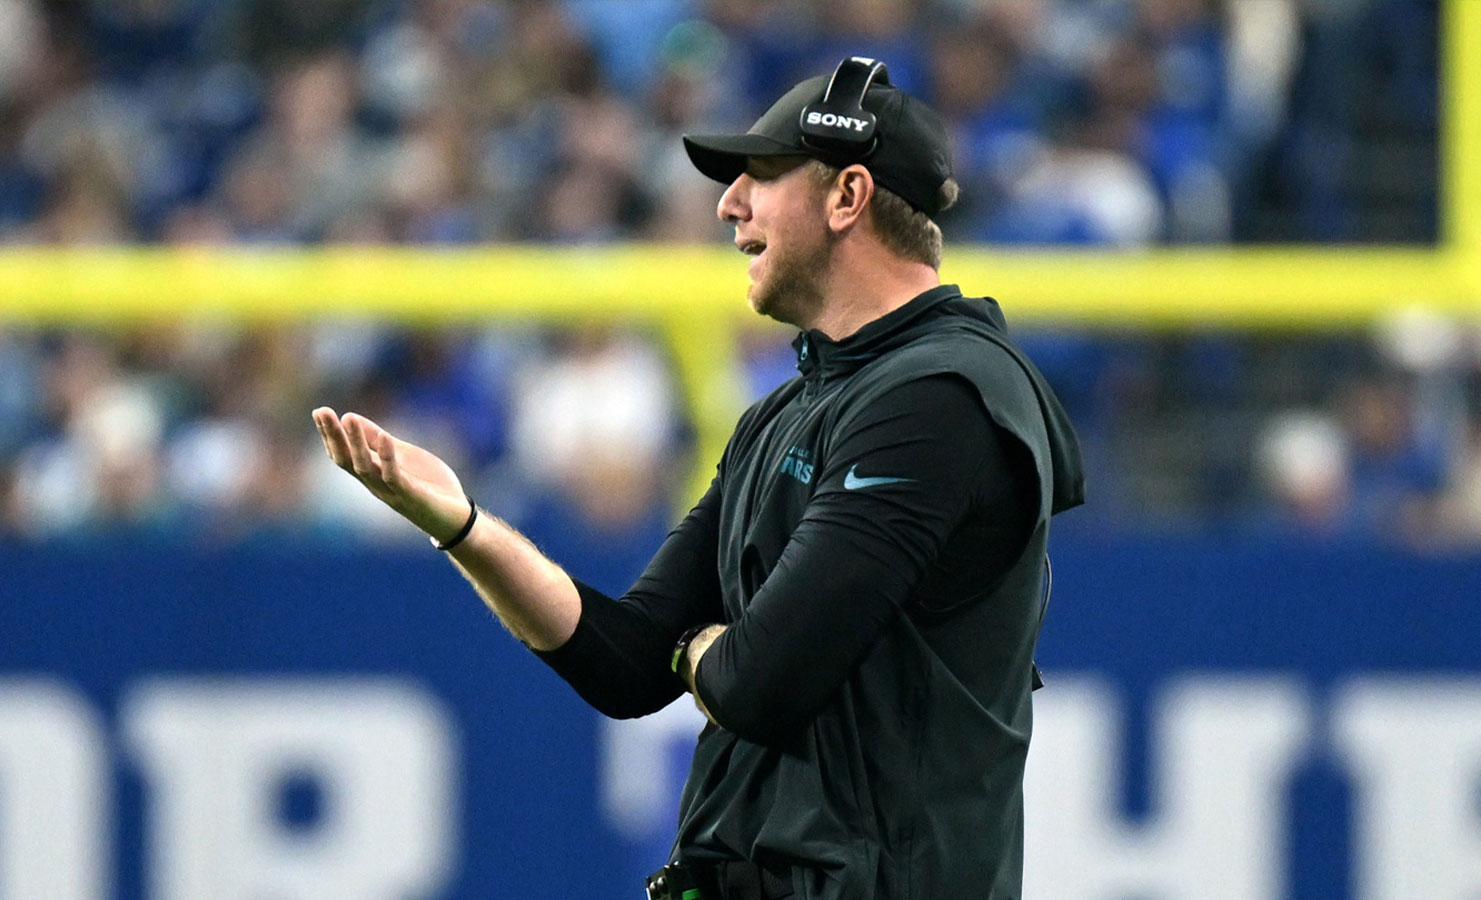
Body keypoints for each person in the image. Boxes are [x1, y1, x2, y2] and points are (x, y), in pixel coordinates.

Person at [312, 58, 1083, 900]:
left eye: (762, 176)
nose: (730, 204)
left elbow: (757, 682)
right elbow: (629, 662)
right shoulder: (790, 410)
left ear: (848, 196)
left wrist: (700, 650)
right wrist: (463, 524)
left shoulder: (940, 399)